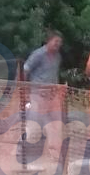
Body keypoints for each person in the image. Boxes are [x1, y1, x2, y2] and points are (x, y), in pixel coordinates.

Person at [23, 31, 64, 160]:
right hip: (37, 93)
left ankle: (54, 153)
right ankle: (21, 146)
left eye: (59, 42)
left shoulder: (58, 57)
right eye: (55, 41)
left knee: (56, 123)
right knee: (33, 123)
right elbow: (25, 69)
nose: (57, 44)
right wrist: (23, 89)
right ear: (49, 41)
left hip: (52, 94)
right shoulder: (38, 54)